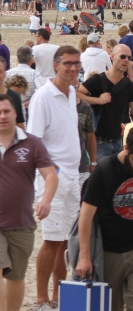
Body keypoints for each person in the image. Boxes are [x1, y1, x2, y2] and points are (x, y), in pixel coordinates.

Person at [76, 126, 133, 311]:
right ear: (126, 148)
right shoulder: (104, 170)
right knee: (112, 306)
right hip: (110, 253)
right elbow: (85, 216)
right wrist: (84, 258)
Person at [27, 46, 83, 310]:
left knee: (65, 240)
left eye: (76, 63)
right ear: (57, 65)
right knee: (51, 239)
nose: (73, 68)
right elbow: (34, 142)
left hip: (74, 175)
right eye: (68, 63)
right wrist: (52, 176)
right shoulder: (42, 97)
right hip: (53, 176)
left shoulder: (72, 92)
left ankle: (58, 296)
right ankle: (41, 298)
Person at [0, 93, 57, 311]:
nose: (2, 116)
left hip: (22, 223)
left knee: (16, 277)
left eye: (6, 111)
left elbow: (51, 175)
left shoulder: (32, 143)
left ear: (16, 113)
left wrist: (46, 199)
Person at [78, 44, 133, 158]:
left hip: (118, 141)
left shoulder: (129, 86)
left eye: (129, 58)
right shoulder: (98, 79)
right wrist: (97, 100)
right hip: (98, 141)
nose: (126, 60)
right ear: (111, 56)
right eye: (122, 56)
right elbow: (75, 94)